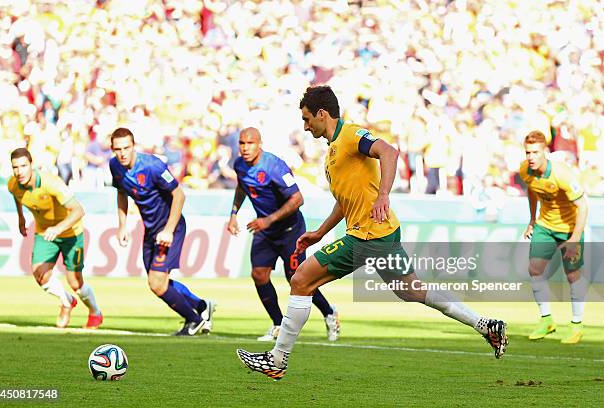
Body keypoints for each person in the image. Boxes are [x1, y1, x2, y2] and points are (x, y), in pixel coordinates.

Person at [236, 86, 508, 380]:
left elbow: (389, 152)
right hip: (380, 234)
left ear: (322, 114)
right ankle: (485, 324)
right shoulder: (332, 154)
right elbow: (345, 202)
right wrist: (320, 232)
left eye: (307, 119)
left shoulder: (351, 135)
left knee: (301, 279)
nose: (305, 126)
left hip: (367, 235)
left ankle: (277, 360)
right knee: (411, 290)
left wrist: (384, 196)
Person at [228, 127, 340, 342]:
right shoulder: (239, 165)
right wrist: (233, 214)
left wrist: (268, 219)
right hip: (265, 231)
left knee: (297, 280)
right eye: (241, 143)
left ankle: (329, 313)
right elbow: (242, 188)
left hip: (290, 231)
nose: (245, 148)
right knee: (259, 275)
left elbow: (298, 199)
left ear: (260, 144)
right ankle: (278, 324)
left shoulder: (274, 166)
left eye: (250, 143)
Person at [109, 128, 214, 336]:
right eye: (117, 149)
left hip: (170, 228)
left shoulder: (152, 166)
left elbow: (179, 195)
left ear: (134, 146)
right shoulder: (115, 166)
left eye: (126, 148)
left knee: (157, 284)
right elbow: (121, 193)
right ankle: (202, 306)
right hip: (151, 230)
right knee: (159, 281)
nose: (122, 153)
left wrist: (168, 230)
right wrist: (122, 224)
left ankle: (194, 320)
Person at [8, 148, 102, 329]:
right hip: (45, 232)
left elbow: (79, 210)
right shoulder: (13, 184)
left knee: (75, 282)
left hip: (70, 233)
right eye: (15, 167)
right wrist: (20, 217)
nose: (19, 172)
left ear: (31, 165)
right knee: (40, 274)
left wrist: (58, 229)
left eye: (23, 166)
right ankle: (66, 301)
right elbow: (17, 197)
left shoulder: (51, 183)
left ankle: (95, 312)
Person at [520, 130, 588, 344]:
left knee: (572, 276)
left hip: (569, 229)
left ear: (545, 152)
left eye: (535, 152)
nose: (530, 156)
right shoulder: (525, 171)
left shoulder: (562, 174)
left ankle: (577, 324)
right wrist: (532, 220)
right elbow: (531, 191)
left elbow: (583, 206)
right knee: (534, 269)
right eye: (527, 152)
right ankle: (546, 320)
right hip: (545, 227)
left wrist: (574, 240)